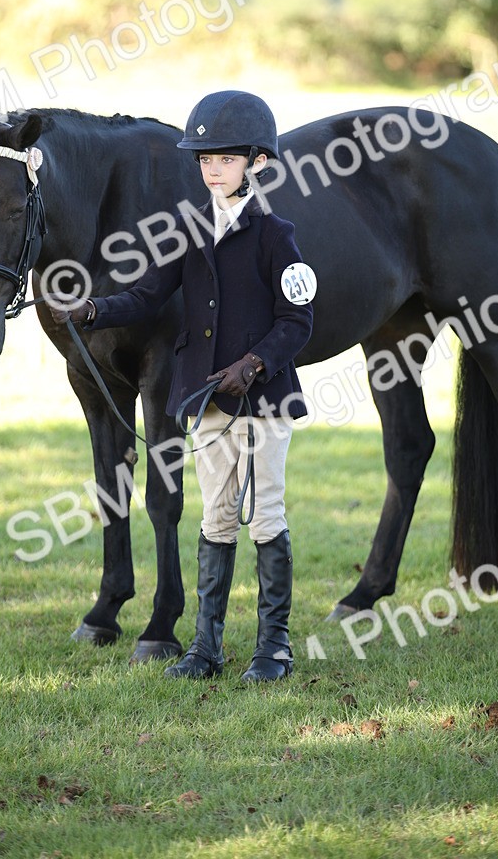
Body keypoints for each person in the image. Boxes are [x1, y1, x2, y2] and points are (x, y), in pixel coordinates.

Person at [52, 90, 314, 681]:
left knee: (265, 512)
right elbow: (148, 295)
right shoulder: (188, 231)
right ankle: (206, 646)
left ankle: (274, 646)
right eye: (204, 160)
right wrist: (94, 310)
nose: (212, 170)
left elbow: (298, 320)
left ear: (257, 163)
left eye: (224, 159)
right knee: (216, 518)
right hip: (208, 402)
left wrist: (253, 365)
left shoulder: (278, 236)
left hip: (264, 400)